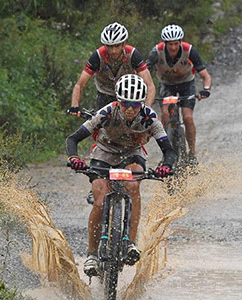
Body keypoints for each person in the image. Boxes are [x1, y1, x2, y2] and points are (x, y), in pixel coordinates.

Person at [66, 74, 175, 275]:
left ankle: (130, 243)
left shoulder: (150, 117)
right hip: (104, 152)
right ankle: (91, 254)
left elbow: (168, 150)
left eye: (135, 104)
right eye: (125, 103)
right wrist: (74, 158)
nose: (130, 108)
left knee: (134, 187)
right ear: (118, 101)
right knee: (99, 201)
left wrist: (165, 166)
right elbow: (73, 138)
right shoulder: (106, 112)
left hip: (132, 153)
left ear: (142, 103)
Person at [146, 24, 212, 164]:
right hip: (166, 85)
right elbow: (144, 73)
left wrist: (205, 90)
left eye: (176, 44)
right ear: (165, 43)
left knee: (188, 117)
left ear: (180, 42)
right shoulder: (156, 52)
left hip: (186, 85)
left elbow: (206, 76)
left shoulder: (189, 50)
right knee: (165, 115)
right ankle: (165, 153)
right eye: (170, 44)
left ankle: (192, 153)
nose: (173, 48)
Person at [68, 22, 156, 116]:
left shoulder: (132, 54)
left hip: (128, 95)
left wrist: (147, 109)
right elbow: (79, 85)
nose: (113, 51)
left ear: (123, 44)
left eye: (117, 46)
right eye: (109, 46)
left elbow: (150, 85)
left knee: (137, 125)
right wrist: (74, 105)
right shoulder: (98, 56)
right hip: (105, 95)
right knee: (99, 125)